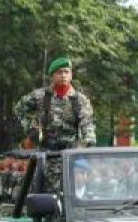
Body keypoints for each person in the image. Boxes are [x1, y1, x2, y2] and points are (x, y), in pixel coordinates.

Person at [14, 56, 96, 192]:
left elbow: (87, 123)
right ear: (53, 75)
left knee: (71, 193)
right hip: (47, 155)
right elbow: (19, 109)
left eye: (66, 72)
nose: (63, 75)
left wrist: (89, 144)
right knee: (44, 195)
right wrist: (31, 129)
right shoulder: (40, 96)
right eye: (59, 72)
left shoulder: (80, 100)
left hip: (70, 155)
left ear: (71, 75)